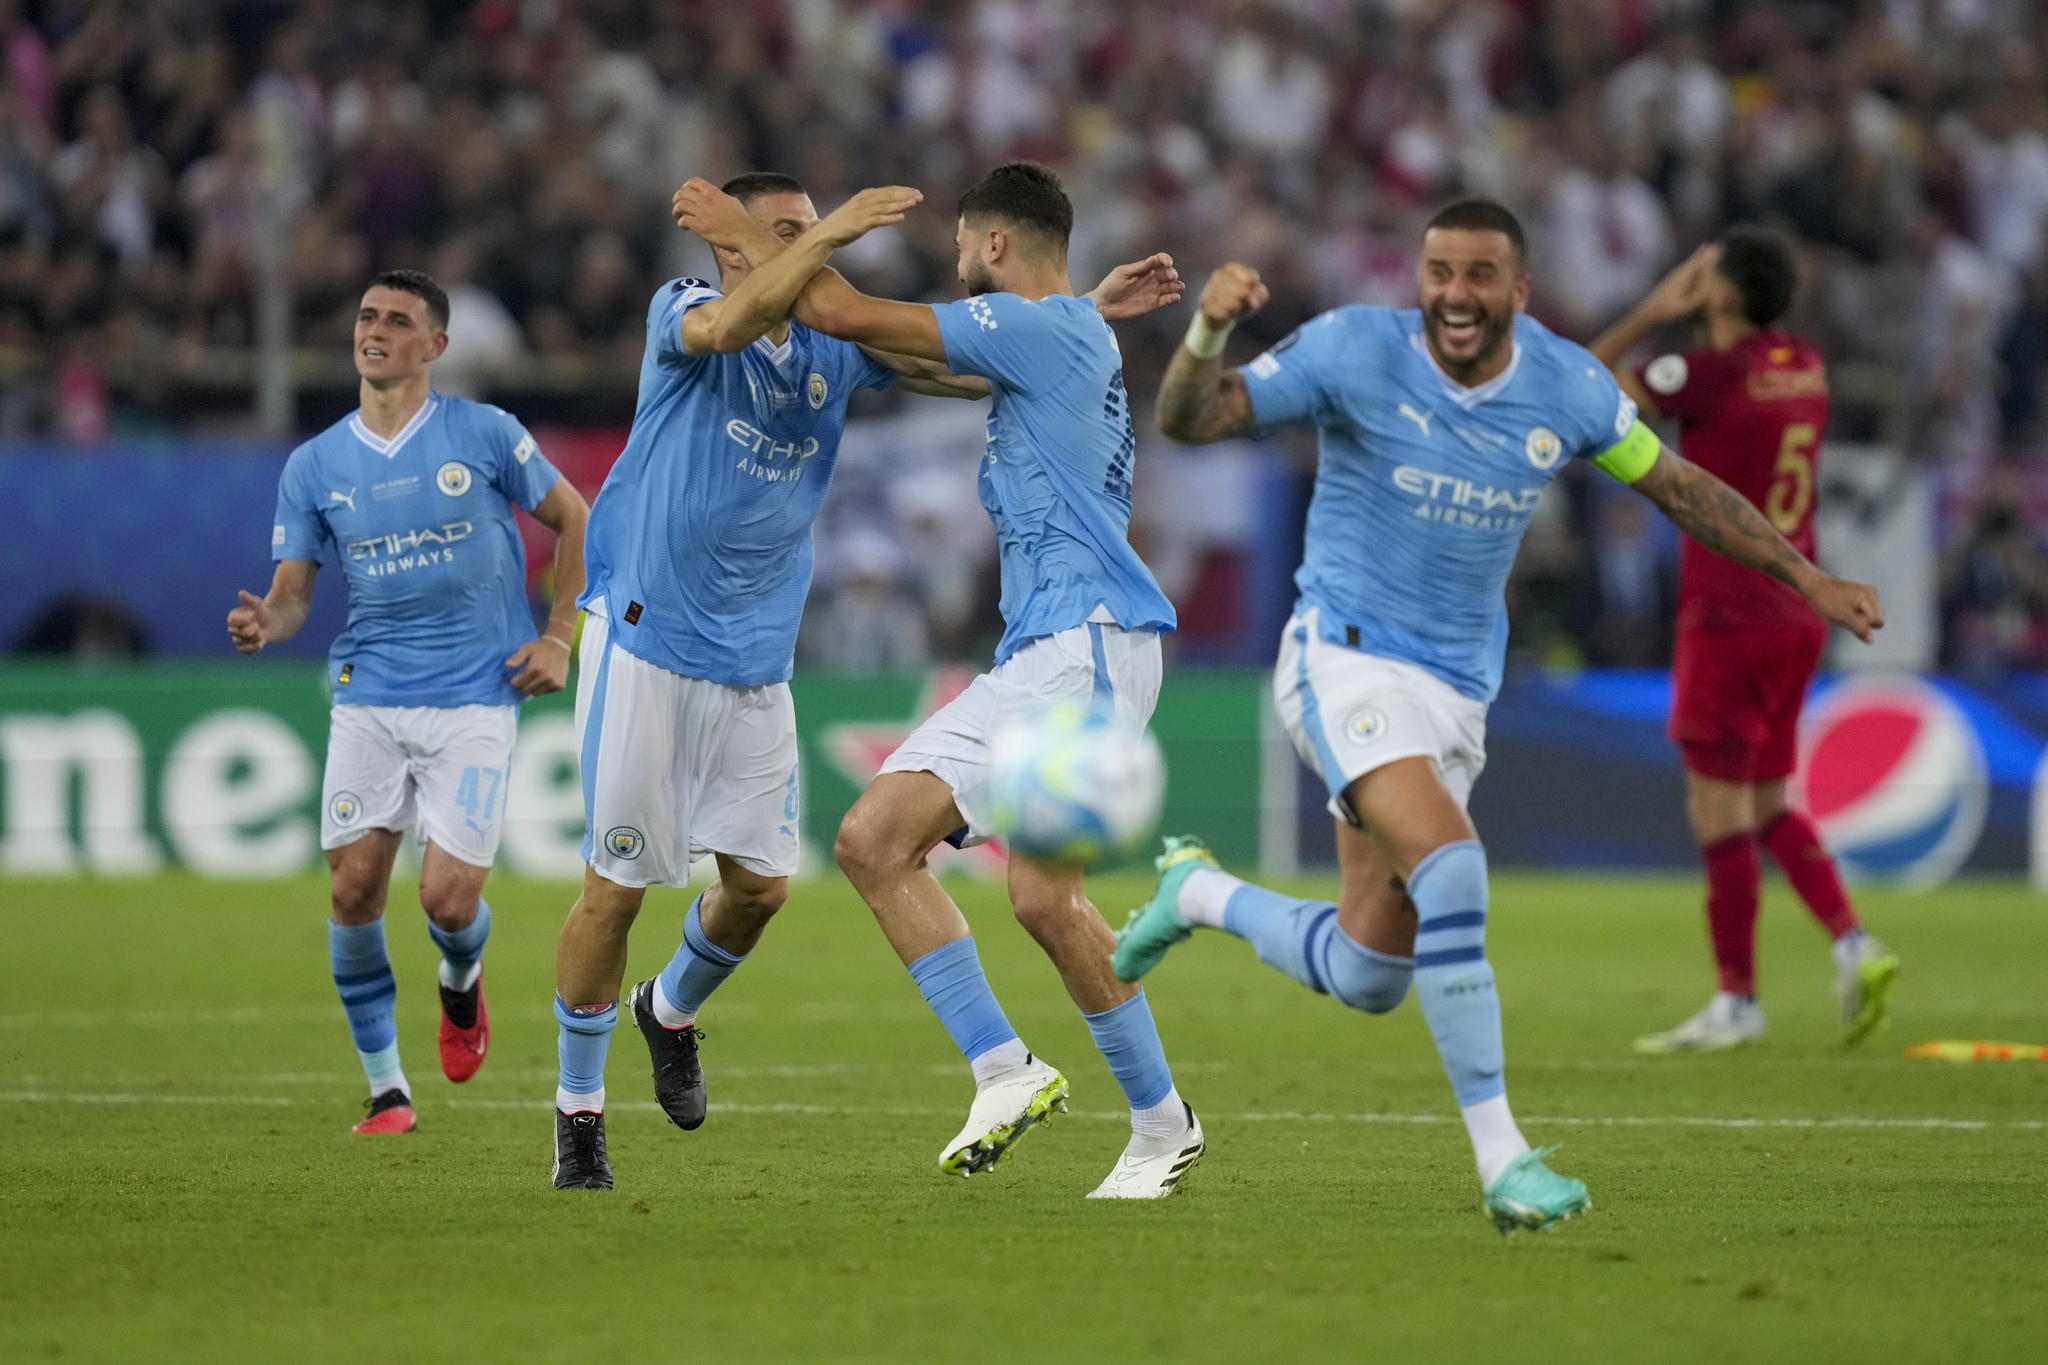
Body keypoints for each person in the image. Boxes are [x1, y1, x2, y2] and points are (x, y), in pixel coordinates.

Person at [1118, 199, 1884, 1232]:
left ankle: (1196, 893)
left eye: (1478, 276)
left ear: (1517, 291)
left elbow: (1684, 490)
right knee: (1455, 867)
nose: (1454, 295)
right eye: (1438, 272)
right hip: (1340, 661)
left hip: (1452, 695)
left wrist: (1805, 576)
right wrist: (1207, 329)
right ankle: (1501, 1160)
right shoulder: (1352, 348)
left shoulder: (1564, 386)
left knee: (1367, 971)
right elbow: (1189, 418)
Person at [551, 169, 1184, 1191]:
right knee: (1040, 902)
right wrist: (1076, 313)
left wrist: (1061, 314)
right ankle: (1158, 1123)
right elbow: (804, 328)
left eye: (818, 230)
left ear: (989, 245)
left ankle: (1003, 1068)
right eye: (790, 232)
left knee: (871, 841)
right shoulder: (684, 309)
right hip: (653, 635)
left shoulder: (854, 337)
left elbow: (868, 319)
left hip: (1076, 643)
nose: (819, 246)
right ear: (729, 248)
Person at [227, 269, 589, 1136]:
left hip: (475, 695)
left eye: (398, 320)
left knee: (447, 901)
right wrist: (267, 623)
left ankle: (461, 985)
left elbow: (575, 517)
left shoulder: (485, 432)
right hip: (371, 696)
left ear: (436, 346)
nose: (375, 330)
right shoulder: (316, 464)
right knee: (354, 889)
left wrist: (559, 635)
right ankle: (389, 1091)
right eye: (366, 316)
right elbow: (293, 591)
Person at [1590, 229, 1900, 1053]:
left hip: (1729, 609)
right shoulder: (1804, 362)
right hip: (1799, 609)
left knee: (1716, 808)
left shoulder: (1707, 373)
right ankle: (1852, 941)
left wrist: (1658, 306)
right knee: (1765, 803)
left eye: (1706, 271)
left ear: (1719, 296)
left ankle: (1737, 999)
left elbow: (1582, 388)